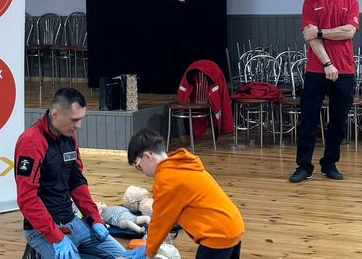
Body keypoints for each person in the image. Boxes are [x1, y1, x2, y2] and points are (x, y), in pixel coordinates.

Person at [14, 87, 126, 258]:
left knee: (125, 256)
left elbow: (77, 181)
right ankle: (36, 253)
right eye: (74, 120)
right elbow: (26, 198)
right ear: (55, 114)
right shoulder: (31, 142)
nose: (79, 126)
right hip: (42, 230)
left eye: (81, 119)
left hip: (72, 221)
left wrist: (94, 218)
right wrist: (55, 237)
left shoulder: (68, 137)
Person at [289, 0, 359, 183]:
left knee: (338, 121)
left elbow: (348, 32)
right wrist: (328, 63)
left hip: (345, 70)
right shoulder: (311, 2)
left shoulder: (351, 2)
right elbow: (310, 38)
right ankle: (304, 166)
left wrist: (320, 31)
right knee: (308, 119)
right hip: (316, 70)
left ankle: (329, 163)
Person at [125, 128, 244, 259]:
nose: (143, 172)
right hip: (233, 225)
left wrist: (149, 253)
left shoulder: (166, 179)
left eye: (138, 166)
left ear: (147, 156)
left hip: (217, 234)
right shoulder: (181, 163)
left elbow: (159, 222)